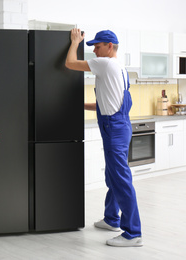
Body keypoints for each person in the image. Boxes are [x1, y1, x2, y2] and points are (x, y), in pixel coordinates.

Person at [65, 29, 143, 247]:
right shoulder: (119, 68)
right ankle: (111, 219)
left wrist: (74, 42)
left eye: (97, 46)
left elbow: (70, 63)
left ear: (110, 46)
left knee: (120, 179)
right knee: (113, 175)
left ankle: (133, 233)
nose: (93, 50)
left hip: (114, 128)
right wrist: (78, 105)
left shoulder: (105, 63)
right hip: (119, 125)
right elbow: (106, 104)